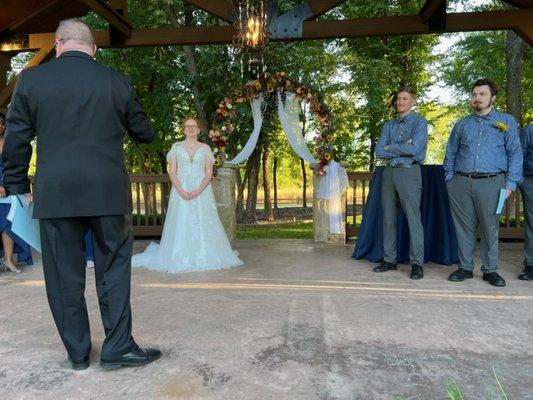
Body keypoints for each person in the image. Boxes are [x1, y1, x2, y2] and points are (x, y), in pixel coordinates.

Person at [2, 19, 160, 370]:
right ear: (94, 49)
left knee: (62, 274)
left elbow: (16, 139)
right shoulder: (117, 82)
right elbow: (145, 133)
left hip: (56, 193)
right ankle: (117, 347)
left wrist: (16, 185)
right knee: (114, 269)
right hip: (107, 192)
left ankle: (77, 353)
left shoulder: (31, 80)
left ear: (58, 45)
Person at [132, 117, 243, 272]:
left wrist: (198, 190)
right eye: (187, 126)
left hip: (202, 190)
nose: (191, 129)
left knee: (203, 220)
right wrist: (181, 190)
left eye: (194, 126)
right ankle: (179, 254)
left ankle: (204, 254)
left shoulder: (205, 148)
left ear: (199, 129)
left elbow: (209, 172)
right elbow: (172, 172)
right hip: (180, 190)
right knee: (181, 221)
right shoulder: (176, 147)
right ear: (183, 129)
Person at [444, 79, 522, 287]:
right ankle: (465, 267)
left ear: (492, 98)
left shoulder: (506, 122)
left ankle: (490, 270)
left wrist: (511, 185)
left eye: (482, 94)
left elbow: (515, 153)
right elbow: (451, 152)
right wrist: (449, 179)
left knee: (490, 228)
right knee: (463, 227)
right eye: (475, 94)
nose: (477, 98)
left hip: (493, 183)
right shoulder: (462, 124)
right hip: (461, 182)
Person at [373, 86, 428, 279]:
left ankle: (417, 264)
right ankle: (389, 260)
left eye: (404, 98)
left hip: (409, 172)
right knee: (388, 218)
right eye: (398, 99)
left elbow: (415, 150)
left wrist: (391, 146)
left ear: (412, 101)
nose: (400, 102)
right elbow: (379, 152)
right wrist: (403, 146)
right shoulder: (389, 125)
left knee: (413, 218)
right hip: (389, 173)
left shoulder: (420, 122)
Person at [0, 111, 32, 273]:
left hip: (10, 188)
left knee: (10, 219)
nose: (0, 125)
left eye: (1, 122)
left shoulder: (9, 143)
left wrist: (26, 191)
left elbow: (19, 166)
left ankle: (8, 259)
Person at [519, 124, 533, 281]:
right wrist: (522, 182)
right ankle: (530, 265)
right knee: (532, 224)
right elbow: (519, 155)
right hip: (531, 182)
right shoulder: (529, 130)